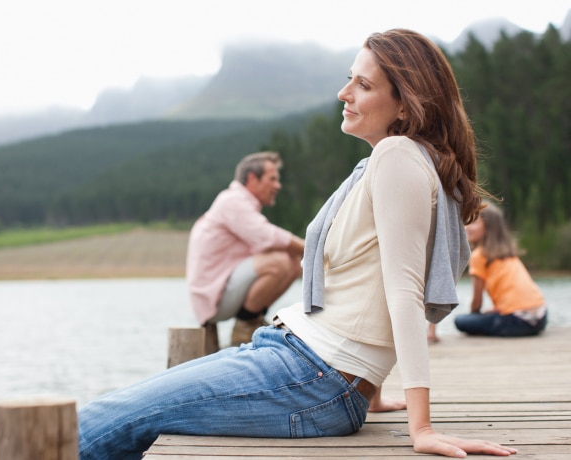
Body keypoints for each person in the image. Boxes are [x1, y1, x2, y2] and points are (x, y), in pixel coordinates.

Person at [78, 29, 518, 459]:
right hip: (302, 363)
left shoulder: (398, 155)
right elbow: (372, 280)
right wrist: (372, 387)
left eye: (363, 85)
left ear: (405, 105)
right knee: (128, 412)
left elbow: (403, 291)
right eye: (350, 77)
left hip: (312, 375)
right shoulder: (401, 160)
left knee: (108, 419)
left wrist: (420, 428)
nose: (344, 93)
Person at [186, 151, 305, 347]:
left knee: (292, 263)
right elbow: (269, 236)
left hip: (222, 291)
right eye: (272, 179)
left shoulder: (238, 203)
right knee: (281, 261)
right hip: (213, 297)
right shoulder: (232, 201)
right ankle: (245, 326)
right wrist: (313, 248)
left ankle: (252, 320)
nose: (278, 185)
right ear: (252, 179)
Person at [454, 203, 547, 337]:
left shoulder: (479, 255)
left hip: (517, 320)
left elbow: (477, 302)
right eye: (467, 221)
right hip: (540, 317)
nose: (467, 227)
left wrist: (474, 316)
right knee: (485, 317)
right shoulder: (509, 254)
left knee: (461, 321)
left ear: (489, 228)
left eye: (473, 222)